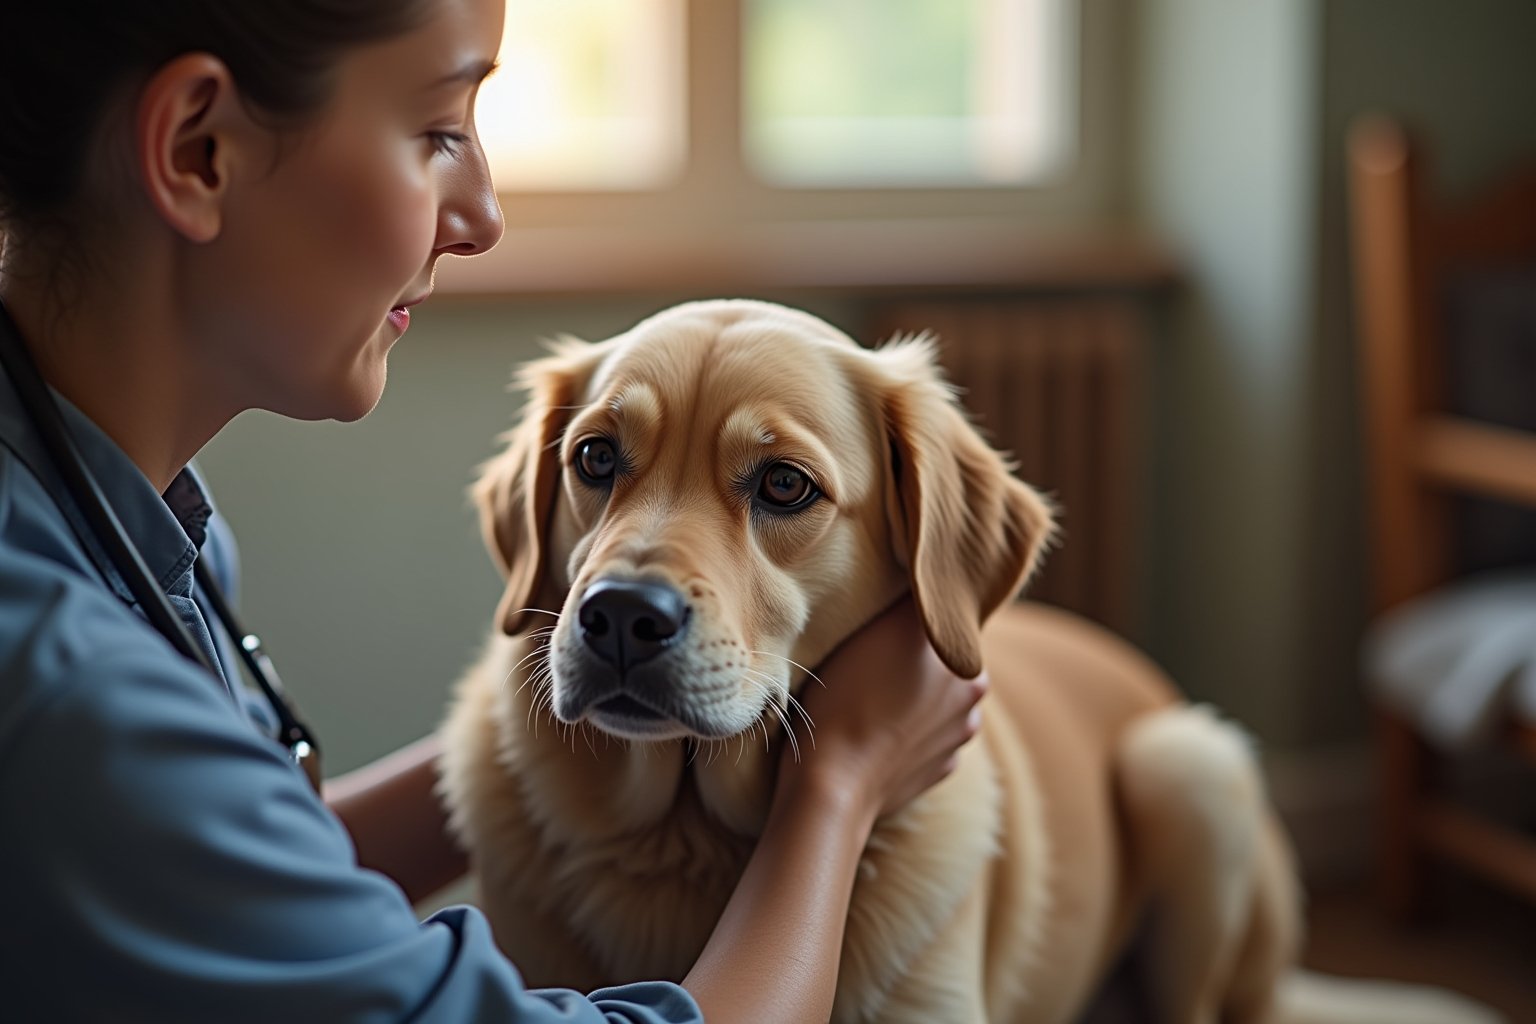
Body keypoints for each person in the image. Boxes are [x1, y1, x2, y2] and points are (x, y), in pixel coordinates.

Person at [0, 2, 987, 1021]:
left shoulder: (123, 525)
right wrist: (837, 788)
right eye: (439, 131)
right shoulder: (70, 693)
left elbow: (203, 876)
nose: (480, 215)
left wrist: (522, 740)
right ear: (198, 150)